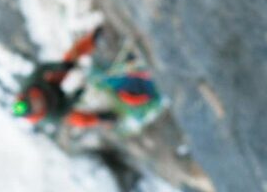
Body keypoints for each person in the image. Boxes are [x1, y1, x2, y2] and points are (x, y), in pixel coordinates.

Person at [12, 29, 160, 134]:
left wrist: (62, 66)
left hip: (51, 84)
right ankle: (103, 117)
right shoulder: (52, 116)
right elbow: (66, 108)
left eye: (33, 99)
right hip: (61, 102)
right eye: (36, 105)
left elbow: (42, 68)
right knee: (79, 119)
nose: (37, 101)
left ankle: (92, 39)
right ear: (39, 111)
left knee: (70, 57)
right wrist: (78, 94)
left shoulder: (30, 85)